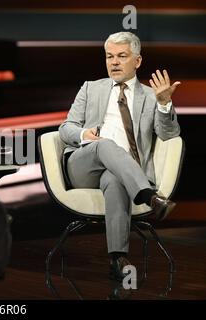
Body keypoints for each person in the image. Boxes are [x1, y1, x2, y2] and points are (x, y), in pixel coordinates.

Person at [59, 31, 181, 281]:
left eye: (121, 56)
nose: (113, 62)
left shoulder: (150, 96)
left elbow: (169, 135)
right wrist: (84, 134)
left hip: (122, 172)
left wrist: (164, 104)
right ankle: (149, 195)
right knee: (105, 145)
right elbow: (65, 128)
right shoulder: (91, 88)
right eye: (109, 56)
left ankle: (117, 258)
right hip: (85, 165)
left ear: (137, 61)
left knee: (115, 182)